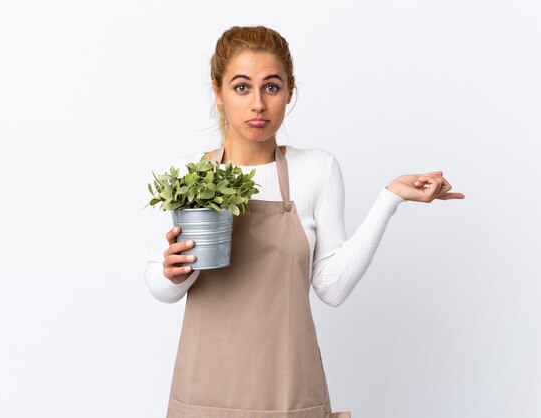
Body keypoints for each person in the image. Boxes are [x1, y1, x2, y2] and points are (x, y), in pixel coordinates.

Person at [144, 25, 465, 418]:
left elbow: (331, 288)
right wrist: (174, 273)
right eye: (242, 87)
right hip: (205, 394)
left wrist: (390, 199)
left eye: (272, 87)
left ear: (289, 92)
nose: (258, 104)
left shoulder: (316, 169)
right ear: (218, 91)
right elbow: (160, 286)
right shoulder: (190, 176)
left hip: (289, 392)